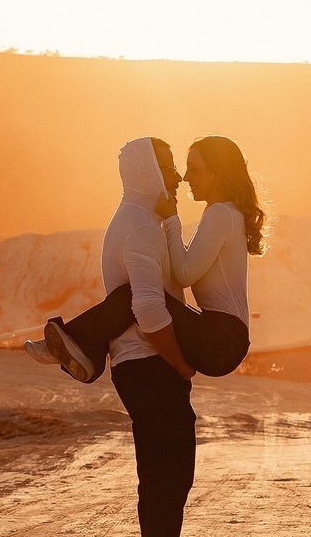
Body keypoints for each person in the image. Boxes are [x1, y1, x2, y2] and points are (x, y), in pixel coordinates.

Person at [26, 136, 266, 537]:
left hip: (214, 339)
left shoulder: (163, 220)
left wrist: (172, 219)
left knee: (168, 478)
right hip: (165, 360)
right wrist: (179, 364)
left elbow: (177, 276)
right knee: (166, 478)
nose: (180, 177)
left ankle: (77, 342)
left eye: (191, 167)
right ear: (149, 174)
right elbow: (151, 304)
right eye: (174, 168)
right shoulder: (142, 223)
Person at [26, 135, 265, 384]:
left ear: (217, 173)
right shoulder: (223, 213)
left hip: (222, 340)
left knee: (136, 296)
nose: (185, 178)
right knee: (143, 297)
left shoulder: (220, 213)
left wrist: (172, 219)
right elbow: (186, 263)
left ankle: (69, 341)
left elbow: (183, 274)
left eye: (194, 169)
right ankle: (82, 349)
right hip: (224, 337)